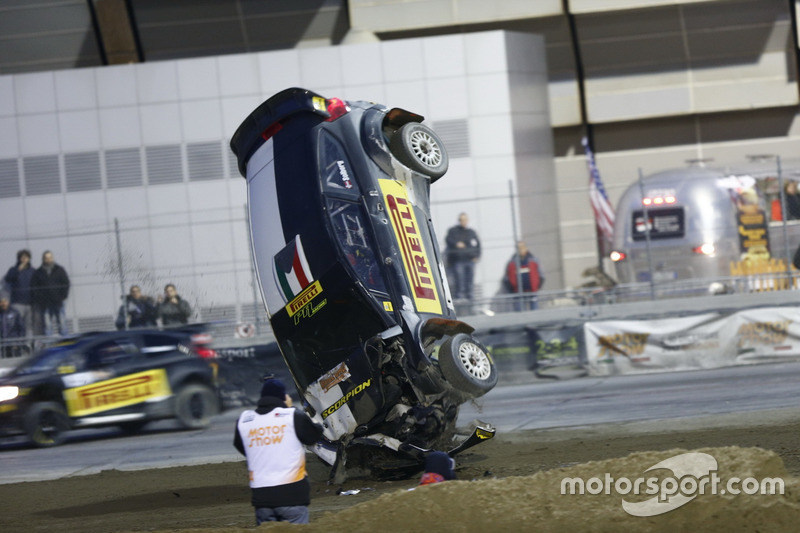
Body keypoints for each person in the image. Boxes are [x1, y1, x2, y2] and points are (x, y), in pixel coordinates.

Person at [233, 377, 323, 525]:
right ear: (283, 397)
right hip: (292, 495)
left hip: (262, 498)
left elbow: (243, 447)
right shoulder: (291, 416)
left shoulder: (244, 420)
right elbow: (314, 435)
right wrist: (289, 409)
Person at [31, 250, 70, 336]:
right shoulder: (38, 272)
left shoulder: (59, 270)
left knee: (62, 324)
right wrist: (40, 299)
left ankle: (65, 344)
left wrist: (63, 296)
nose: (48, 260)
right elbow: (34, 288)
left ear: (53, 258)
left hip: (58, 302)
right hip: (45, 304)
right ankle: (49, 345)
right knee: (47, 326)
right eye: (46, 258)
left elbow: (66, 283)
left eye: (50, 257)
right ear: (43, 259)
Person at [445, 213, 481, 301]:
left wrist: (477, 256)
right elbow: (448, 240)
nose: (463, 222)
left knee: (470, 279)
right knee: (459, 280)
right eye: (461, 220)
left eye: (465, 220)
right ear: (459, 220)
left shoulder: (471, 232)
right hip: (458, 261)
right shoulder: (453, 231)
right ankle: (459, 297)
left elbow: (478, 245)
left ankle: (470, 297)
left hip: (470, 260)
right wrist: (456, 244)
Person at [502, 241, 545, 311]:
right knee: (520, 313)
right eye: (519, 248)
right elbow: (506, 279)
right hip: (518, 293)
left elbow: (541, 275)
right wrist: (512, 290)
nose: (521, 250)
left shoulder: (533, 260)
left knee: (535, 311)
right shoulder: (512, 262)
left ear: (526, 248)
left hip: (532, 292)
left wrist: (537, 287)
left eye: (522, 248)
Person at [3, 249, 35, 339]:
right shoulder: (13, 270)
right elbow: (8, 279)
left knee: (29, 327)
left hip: (30, 303)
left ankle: (27, 346)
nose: (24, 259)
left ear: (29, 258)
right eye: (22, 257)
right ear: (19, 259)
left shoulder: (33, 271)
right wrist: (18, 270)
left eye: (26, 257)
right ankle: (18, 345)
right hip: (17, 303)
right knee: (17, 326)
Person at [0, 293, 25, 358]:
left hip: (13, 343)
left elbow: (21, 328)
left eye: (5, 302)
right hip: (3, 343)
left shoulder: (14, 312)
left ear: (8, 302)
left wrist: (18, 342)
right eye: (1, 302)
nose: (3, 304)